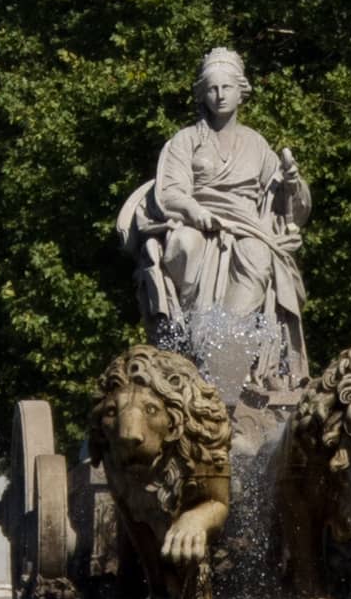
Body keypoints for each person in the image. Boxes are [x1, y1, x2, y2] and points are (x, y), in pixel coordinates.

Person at [116, 48, 310, 386]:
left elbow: (283, 202)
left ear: (241, 91)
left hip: (248, 226)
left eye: (227, 88)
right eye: (212, 88)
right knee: (184, 244)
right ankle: (194, 334)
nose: (220, 95)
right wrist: (196, 211)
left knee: (258, 254)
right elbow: (170, 191)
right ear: (203, 94)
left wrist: (292, 185)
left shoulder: (257, 144)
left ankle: (228, 351)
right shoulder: (186, 140)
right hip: (196, 221)